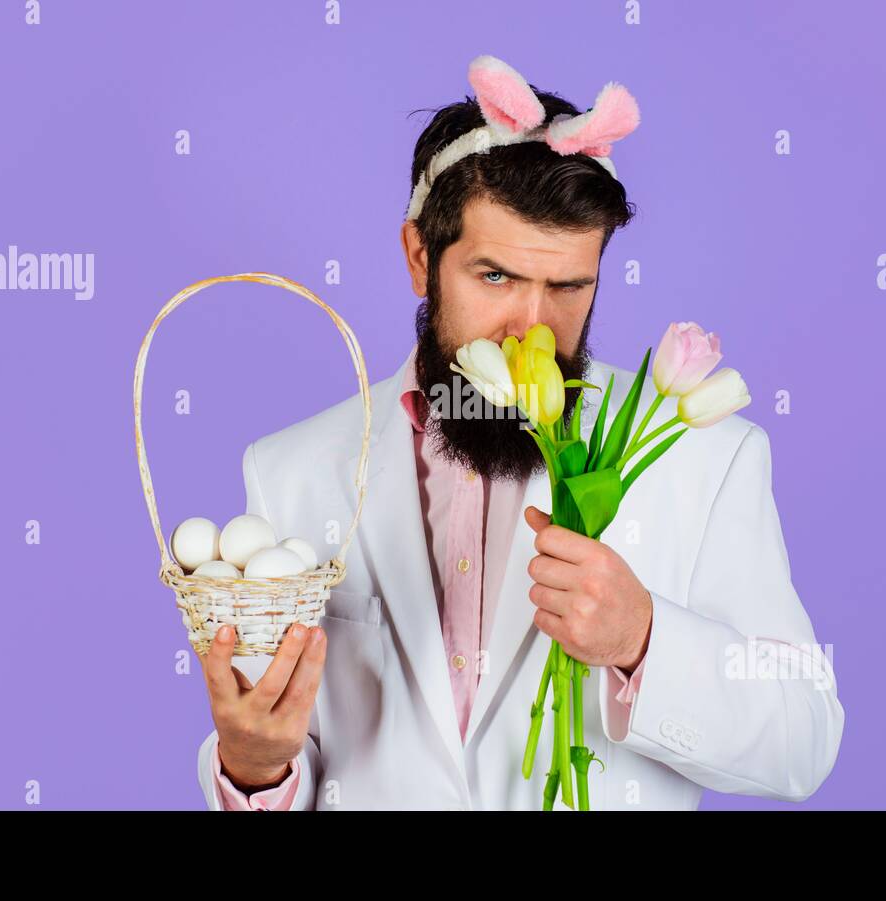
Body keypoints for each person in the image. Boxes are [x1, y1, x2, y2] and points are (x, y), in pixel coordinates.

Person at [195, 55, 844, 810]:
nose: (530, 329)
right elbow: (283, 747)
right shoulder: (291, 472)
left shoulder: (708, 456)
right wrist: (252, 767)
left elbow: (805, 738)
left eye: (568, 286)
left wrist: (643, 640)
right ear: (419, 258)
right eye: (495, 277)